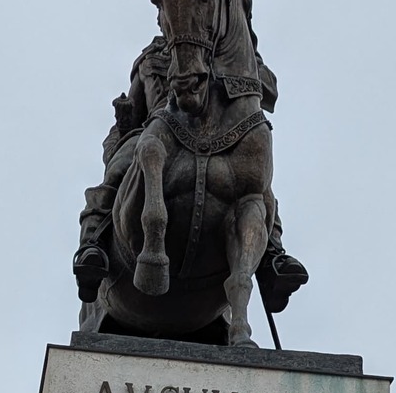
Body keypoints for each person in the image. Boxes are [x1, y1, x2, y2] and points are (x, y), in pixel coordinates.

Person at [73, 37, 308, 313]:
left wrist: (235, 66)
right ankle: (93, 246)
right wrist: (124, 124)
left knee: (256, 179)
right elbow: (130, 119)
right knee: (120, 167)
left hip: (215, 131)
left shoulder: (223, 46)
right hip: (159, 129)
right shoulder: (148, 61)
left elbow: (268, 91)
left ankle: (271, 256)